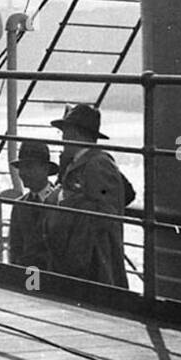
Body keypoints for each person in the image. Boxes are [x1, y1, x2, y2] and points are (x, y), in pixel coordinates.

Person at [45, 103, 135, 288]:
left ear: (75, 134)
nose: (62, 139)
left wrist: (67, 202)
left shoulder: (98, 164)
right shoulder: (80, 163)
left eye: (64, 134)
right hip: (79, 254)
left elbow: (107, 210)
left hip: (94, 257)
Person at [7, 140, 59, 270]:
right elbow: (15, 249)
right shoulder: (19, 206)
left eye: (29, 167)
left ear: (45, 169)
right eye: (21, 168)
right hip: (29, 277)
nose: (23, 173)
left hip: (54, 279)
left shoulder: (59, 203)